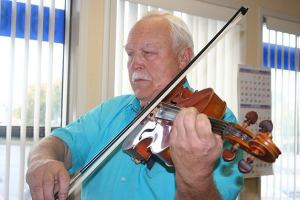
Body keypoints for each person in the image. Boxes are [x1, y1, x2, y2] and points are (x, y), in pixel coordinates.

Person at [26, 11, 244, 200]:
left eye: (148, 53)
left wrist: (196, 176)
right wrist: (41, 160)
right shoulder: (110, 110)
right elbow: (59, 143)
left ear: (183, 58)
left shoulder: (216, 120)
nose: (134, 63)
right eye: (130, 54)